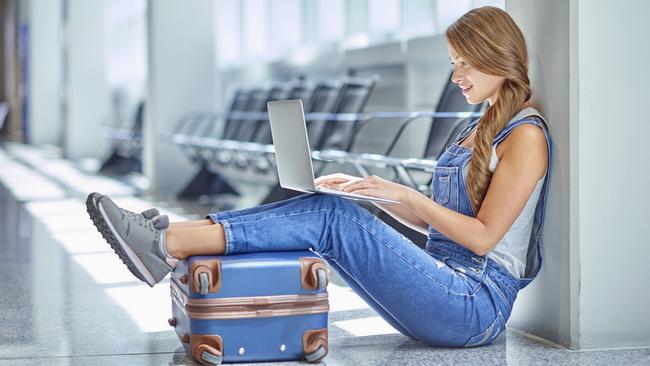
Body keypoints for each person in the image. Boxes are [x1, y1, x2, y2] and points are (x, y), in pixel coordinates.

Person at [86, 6, 551, 348]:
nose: (456, 76)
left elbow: (484, 238)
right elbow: (437, 230)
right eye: (453, 63)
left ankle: (165, 241)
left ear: (496, 57)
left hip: (473, 304)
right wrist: (374, 195)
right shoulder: (472, 129)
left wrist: (403, 192)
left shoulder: (525, 135)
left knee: (331, 217)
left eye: (464, 63)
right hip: (443, 283)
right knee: (337, 210)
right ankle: (166, 238)